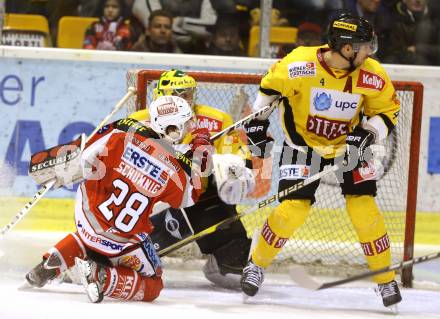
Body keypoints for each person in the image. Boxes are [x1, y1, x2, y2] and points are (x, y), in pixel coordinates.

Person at [240, 13, 402, 308]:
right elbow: (267, 95)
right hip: (302, 147)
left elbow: (388, 111)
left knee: (364, 211)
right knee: (292, 212)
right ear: (347, 48)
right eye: (365, 46)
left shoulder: (372, 73)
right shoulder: (298, 64)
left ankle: (385, 279)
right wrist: (256, 126)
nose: (371, 52)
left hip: (350, 147)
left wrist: (369, 134)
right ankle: (256, 264)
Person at [24, 96, 213, 303]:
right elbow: (190, 196)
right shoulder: (176, 167)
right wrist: (201, 151)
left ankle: (48, 265)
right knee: (154, 284)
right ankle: (102, 276)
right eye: (184, 124)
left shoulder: (123, 128)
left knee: (90, 234)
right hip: (120, 239)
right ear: (171, 127)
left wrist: (58, 167)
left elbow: (84, 155)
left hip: (86, 217)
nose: (187, 129)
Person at [129, 69, 256, 289]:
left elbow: (238, 156)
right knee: (129, 257)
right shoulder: (137, 123)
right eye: (180, 93)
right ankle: (121, 251)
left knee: (234, 272)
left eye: (189, 93)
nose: (186, 99)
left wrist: (234, 171)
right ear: (162, 94)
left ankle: (224, 257)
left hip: (198, 199)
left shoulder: (216, 120)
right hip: (150, 199)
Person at [384, 0, 440, 65]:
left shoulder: (436, 19)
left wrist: (418, 48)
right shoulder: (394, 20)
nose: (418, 1)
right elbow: (393, 51)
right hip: (403, 66)